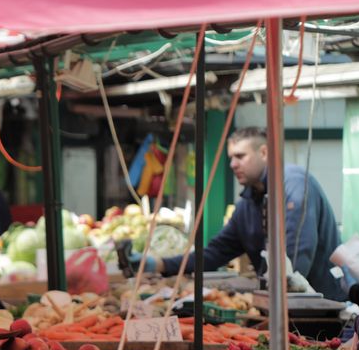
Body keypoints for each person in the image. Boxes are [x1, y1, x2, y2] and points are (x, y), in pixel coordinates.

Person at [135, 127, 345, 301]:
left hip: (321, 304)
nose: (233, 164)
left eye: (240, 156)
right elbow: (215, 253)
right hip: (279, 305)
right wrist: (159, 264)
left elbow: (298, 251)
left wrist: (273, 298)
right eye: (231, 158)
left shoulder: (294, 184)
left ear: (264, 153)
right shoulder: (247, 204)